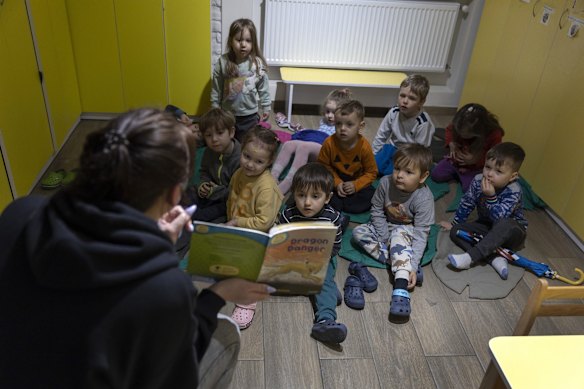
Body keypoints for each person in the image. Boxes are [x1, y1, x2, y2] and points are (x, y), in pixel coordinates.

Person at [0, 108, 274, 388]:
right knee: (223, 334)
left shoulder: (19, 214)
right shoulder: (166, 290)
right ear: (173, 195)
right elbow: (177, 377)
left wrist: (153, 246)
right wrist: (217, 294)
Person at [351, 144, 434, 321]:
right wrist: (383, 236)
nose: (400, 175)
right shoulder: (385, 182)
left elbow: (421, 233)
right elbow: (376, 210)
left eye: (409, 172)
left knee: (399, 237)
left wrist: (414, 263)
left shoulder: (424, 197)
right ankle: (401, 264)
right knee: (358, 232)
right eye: (397, 168)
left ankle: (401, 288)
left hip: (408, 231)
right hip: (386, 227)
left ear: (423, 177)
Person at [277, 163, 347, 343]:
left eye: (315, 196)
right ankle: (327, 293)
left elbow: (335, 248)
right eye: (301, 195)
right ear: (294, 194)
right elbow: (278, 240)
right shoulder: (288, 214)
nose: (307, 202)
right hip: (293, 257)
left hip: (322, 260)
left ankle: (325, 319)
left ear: (327, 197)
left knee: (322, 279)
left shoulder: (333, 219)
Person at [441, 142, 527, 280]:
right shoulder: (478, 180)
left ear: (512, 176)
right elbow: (467, 202)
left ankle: (470, 257)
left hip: (511, 232)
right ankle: (493, 258)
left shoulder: (513, 191)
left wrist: (491, 196)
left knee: (505, 224)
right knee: (455, 231)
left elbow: (500, 219)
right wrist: (456, 222)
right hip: (487, 226)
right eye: (487, 167)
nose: (490, 174)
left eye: (498, 172)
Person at [226, 125, 284, 329]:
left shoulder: (266, 186)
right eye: (247, 156)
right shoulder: (239, 173)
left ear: (269, 163)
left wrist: (237, 222)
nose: (250, 164)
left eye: (258, 161)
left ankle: (247, 302)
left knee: (251, 268)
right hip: (241, 227)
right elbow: (233, 198)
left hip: (262, 233)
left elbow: (264, 222)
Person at [271, 88, 353, 195]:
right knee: (288, 144)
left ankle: (289, 182)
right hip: (317, 145)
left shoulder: (343, 126)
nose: (329, 115)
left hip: (328, 152)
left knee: (304, 147)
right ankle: (272, 177)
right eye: (327, 111)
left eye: (334, 113)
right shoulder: (324, 121)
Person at [211, 18, 271, 142]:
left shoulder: (257, 64)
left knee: (247, 143)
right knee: (228, 142)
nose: (243, 44)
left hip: (249, 115)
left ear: (253, 43)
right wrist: (214, 105)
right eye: (238, 40)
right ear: (231, 41)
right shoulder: (223, 62)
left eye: (248, 41)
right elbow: (216, 87)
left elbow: (263, 88)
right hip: (227, 114)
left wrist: (266, 106)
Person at [317, 100, 378, 214]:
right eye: (339, 124)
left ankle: (340, 204)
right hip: (334, 179)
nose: (343, 128)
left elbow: (371, 173)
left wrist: (356, 185)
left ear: (361, 126)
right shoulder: (329, 143)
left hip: (356, 180)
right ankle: (338, 202)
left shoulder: (364, 146)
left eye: (349, 124)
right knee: (318, 184)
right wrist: (337, 183)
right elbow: (323, 166)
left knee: (371, 195)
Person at [431, 103, 504, 192]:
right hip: (454, 161)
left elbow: (494, 158)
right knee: (436, 175)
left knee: (469, 189)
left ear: (478, 132)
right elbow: (449, 130)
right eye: (459, 132)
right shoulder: (459, 123)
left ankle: (464, 176)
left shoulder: (494, 134)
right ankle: (457, 174)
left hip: (475, 167)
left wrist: (476, 161)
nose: (461, 135)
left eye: (465, 134)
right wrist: (451, 143)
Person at [371, 74, 435, 176]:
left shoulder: (422, 122)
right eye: (402, 95)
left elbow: (419, 151)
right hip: (392, 147)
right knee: (373, 167)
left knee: (391, 174)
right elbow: (381, 135)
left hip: (410, 154)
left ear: (421, 102)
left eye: (412, 98)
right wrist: (373, 155)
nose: (405, 101)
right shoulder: (394, 111)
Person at [188, 108, 241, 223]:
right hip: (209, 195)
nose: (214, 139)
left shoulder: (241, 158)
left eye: (220, 133)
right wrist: (203, 184)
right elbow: (204, 172)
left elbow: (238, 193)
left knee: (201, 216)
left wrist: (216, 191)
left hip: (227, 201)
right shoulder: (208, 152)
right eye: (208, 135)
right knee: (187, 193)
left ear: (231, 132)